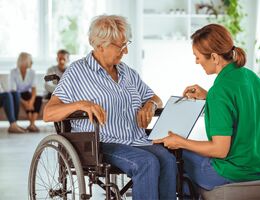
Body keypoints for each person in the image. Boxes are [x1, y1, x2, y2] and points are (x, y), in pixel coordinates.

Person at [44, 15, 177, 200]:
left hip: (135, 139)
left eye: (126, 44)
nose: (126, 51)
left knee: (168, 160)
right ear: (100, 46)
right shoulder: (77, 72)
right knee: (146, 163)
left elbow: (155, 98)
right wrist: (81, 104)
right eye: (121, 46)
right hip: (100, 143)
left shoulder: (127, 72)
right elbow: (49, 113)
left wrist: (150, 104)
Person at [154, 24, 260, 195]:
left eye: (197, 57)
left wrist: (180, 141)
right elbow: (241, 108)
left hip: (231, 172)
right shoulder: (250, 76)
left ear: (214, 57)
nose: (197, 62)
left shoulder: (220, 91)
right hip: (255, 167)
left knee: (174, 156)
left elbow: (220, 149)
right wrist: (208, 96)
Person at [10, 52, 43, 132]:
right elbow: (13, 90)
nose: (32, 62)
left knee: (38, 98)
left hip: (28, 94)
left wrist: (31, 102)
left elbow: (34, 88)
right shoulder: (13, 72)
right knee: (25, 95)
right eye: (30, 60)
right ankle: (32, 125)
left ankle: (32, 124)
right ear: (25, 61)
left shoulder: (32, 72)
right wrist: (24, 103)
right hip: (17, 95)